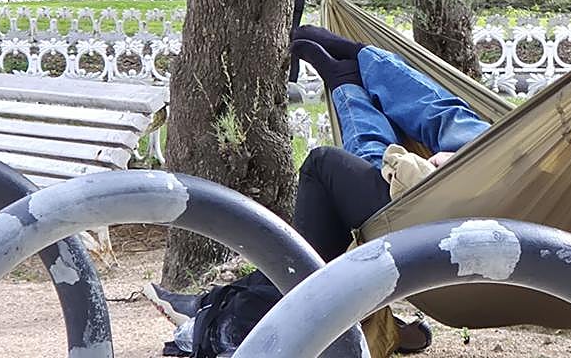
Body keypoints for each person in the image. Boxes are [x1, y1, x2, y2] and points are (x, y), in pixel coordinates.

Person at [146, 25, 490, 356]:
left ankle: (352, 71)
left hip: (458, 223)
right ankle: (351, 73)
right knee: (461, 135)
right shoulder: (535, 144)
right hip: (482, 191)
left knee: (333, 163)